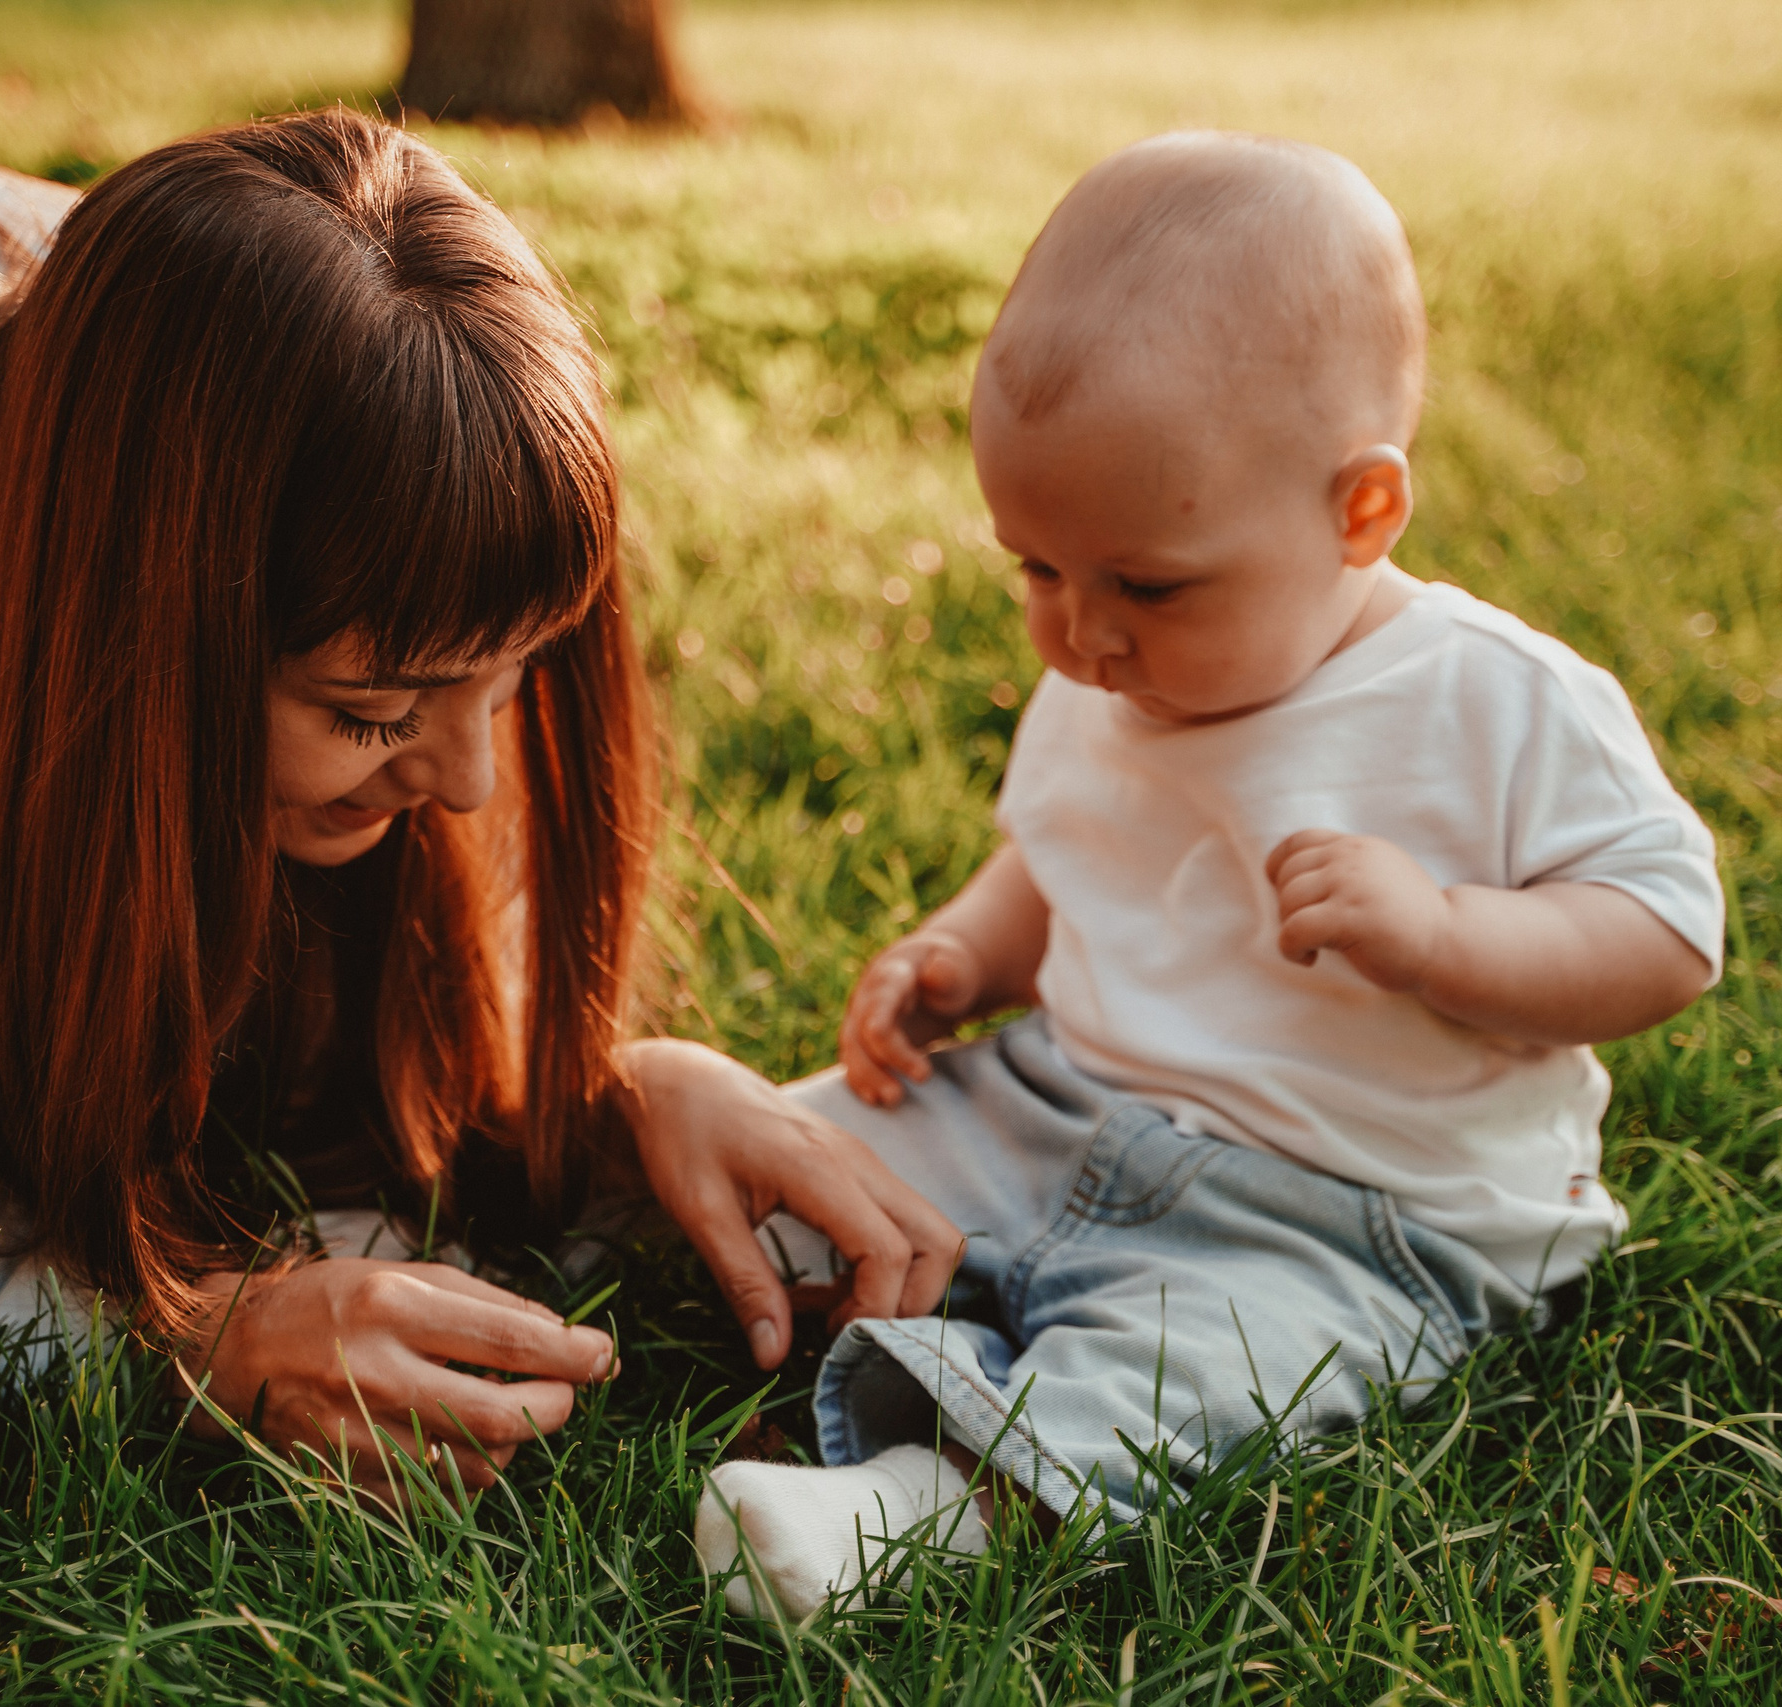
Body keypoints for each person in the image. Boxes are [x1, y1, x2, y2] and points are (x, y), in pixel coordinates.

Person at [0, 112, 959, 1504]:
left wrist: (616, 1097)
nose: (470, 786)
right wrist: (203, 1348)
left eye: (509, 682)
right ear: (138, 651)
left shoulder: (237, 369)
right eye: (374, 715)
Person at [695, 131, 1724, 1616]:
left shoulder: (1494, 701)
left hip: (1354, 1206)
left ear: (1360, 512)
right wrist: (963, 959)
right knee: (801, 1156)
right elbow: (1063, 864)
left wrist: (1448, 932)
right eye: (1035, 570)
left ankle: (911, 1512)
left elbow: (1664, 932)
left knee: (1207, 1370)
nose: (1081, 636)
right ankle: (495, 1235)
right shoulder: (1116, 674)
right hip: (1058, 1098)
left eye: (1146, 585)